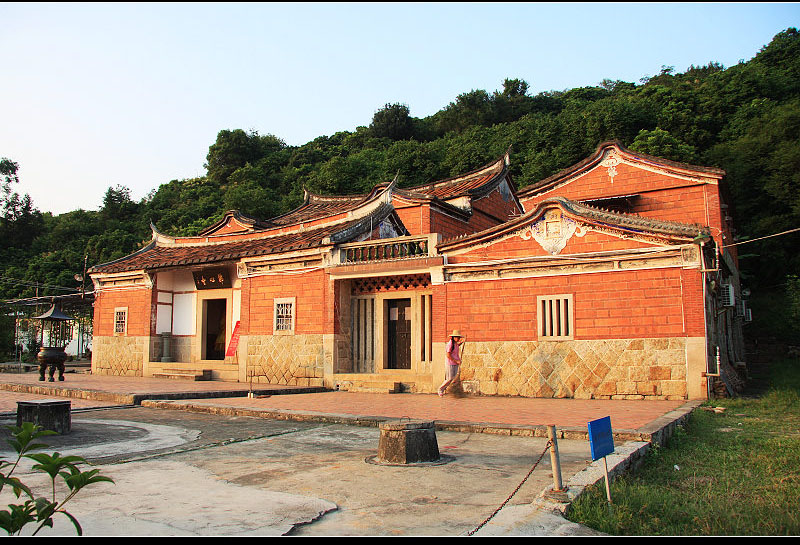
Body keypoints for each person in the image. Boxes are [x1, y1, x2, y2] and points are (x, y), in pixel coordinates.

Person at [438, 330, 465, 396]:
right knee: (449, 378)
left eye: (459, 338)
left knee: (453, 378)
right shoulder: (450, 344)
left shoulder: (455, 344)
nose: (458, 339)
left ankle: (447, 389)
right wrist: (456, 361)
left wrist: (461, 343)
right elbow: (448, 355)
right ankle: (440, 389)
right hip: (450, 363)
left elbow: (456, 347)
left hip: (455, 363)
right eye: (457, 337)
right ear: (453, 337)